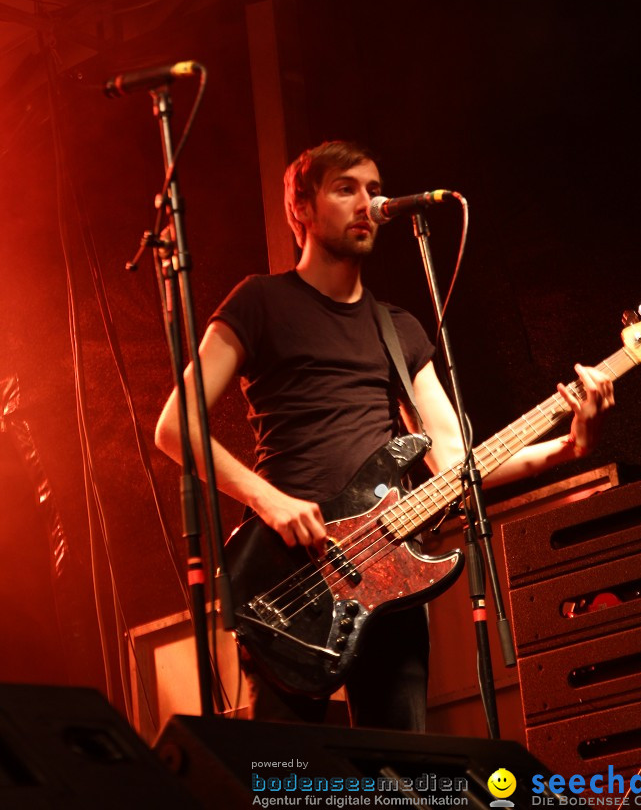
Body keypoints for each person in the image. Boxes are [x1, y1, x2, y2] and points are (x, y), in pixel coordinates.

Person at [155, 139, 614, 730]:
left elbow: (456, 465)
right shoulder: (261, 302)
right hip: (291, 577)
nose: (368, 202)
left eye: (374, 189)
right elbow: (176, 426)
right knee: (283, 782)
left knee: (401, 779)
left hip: (389, 573)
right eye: (346, 188)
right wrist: (267, 501)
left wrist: (573, 446)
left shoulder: (396, 328)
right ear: (301, 209)